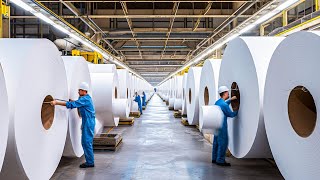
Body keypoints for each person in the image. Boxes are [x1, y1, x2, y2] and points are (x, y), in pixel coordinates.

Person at [50, 82, 96, 168]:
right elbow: (79, 103)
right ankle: (90, 161)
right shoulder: (85, 98)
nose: (78, 92)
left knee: (86, 142)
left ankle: (90, 162)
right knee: (85, 142)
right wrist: (74, 101)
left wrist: (56, 103)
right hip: (87, 121)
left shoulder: (85, 99)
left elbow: (71, 105)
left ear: (84, 91)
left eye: (80, 90)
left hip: (88, 122)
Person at [212, 86, 238, 166]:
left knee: (216, 142)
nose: (228, 93)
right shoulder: (224, 105)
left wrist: (230, 100)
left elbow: (224, 104)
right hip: (221, 126)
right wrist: (237, 110)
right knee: (223, 142)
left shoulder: (218, 102)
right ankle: (220, 160)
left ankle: (214, 158)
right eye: (227, 92)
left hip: (216, 125)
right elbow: (230, 114)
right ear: (225, 93)